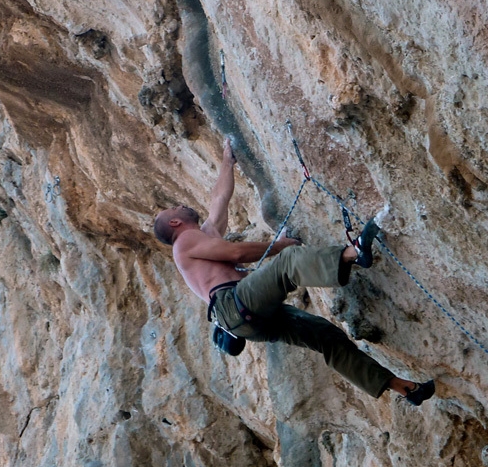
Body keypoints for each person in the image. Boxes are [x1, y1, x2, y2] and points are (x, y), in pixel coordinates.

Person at [154, 139, 435, 406]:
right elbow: (236, 253)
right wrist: (278, 246)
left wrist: (228, 160)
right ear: (176, 221)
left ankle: (404, 388)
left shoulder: (203, 237)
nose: (179, 205)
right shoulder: (185, 241)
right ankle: (353, 253)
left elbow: (219, 199)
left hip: (245, 322)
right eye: (174, 208)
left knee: (325, 336)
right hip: (234, 306)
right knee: (288, 261)